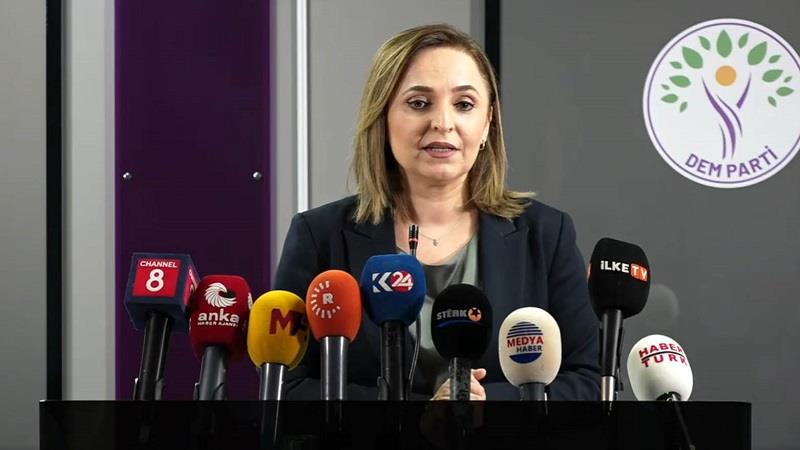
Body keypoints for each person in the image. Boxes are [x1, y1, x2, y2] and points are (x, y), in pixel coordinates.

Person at [274, 23, 599, 400]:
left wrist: (486, 406)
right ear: (382, 116)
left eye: (464, 104)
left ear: (488, 122)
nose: (443, 123)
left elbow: (587, 381)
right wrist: (422, 413)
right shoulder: (319, 236)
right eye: (419, 103)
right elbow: (285, 386)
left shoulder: (546, 234)